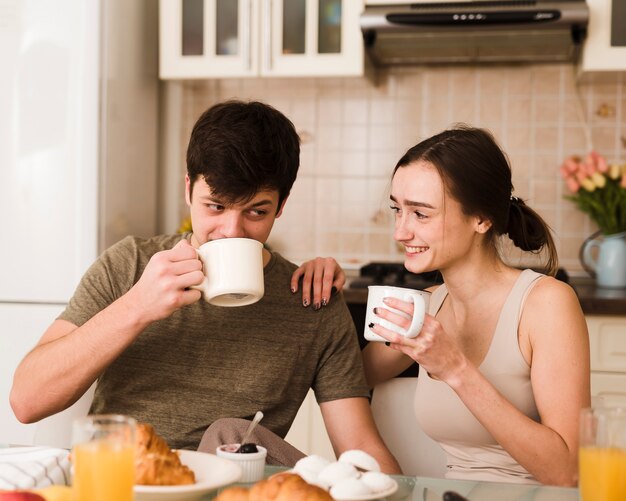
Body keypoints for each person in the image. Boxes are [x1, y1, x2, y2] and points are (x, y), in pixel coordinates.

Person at [10, 100, 400, 473]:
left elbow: (361, 449)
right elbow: (27, 402)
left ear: (281, 205)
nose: (231, 231)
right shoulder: (129, 265)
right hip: (121, 484)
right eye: (215, 206)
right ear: (188, 190)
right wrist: (137, 307)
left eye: (256, 212)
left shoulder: (312, 299)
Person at [361, 125, 589, 486]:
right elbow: (347, 380)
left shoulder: (546, 304)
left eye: (420, 214)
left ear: (481, 219)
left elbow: (566, 474)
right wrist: (323, 278)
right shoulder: (430, 305)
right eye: (397, 210)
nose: (400, 232)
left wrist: (455, 368)